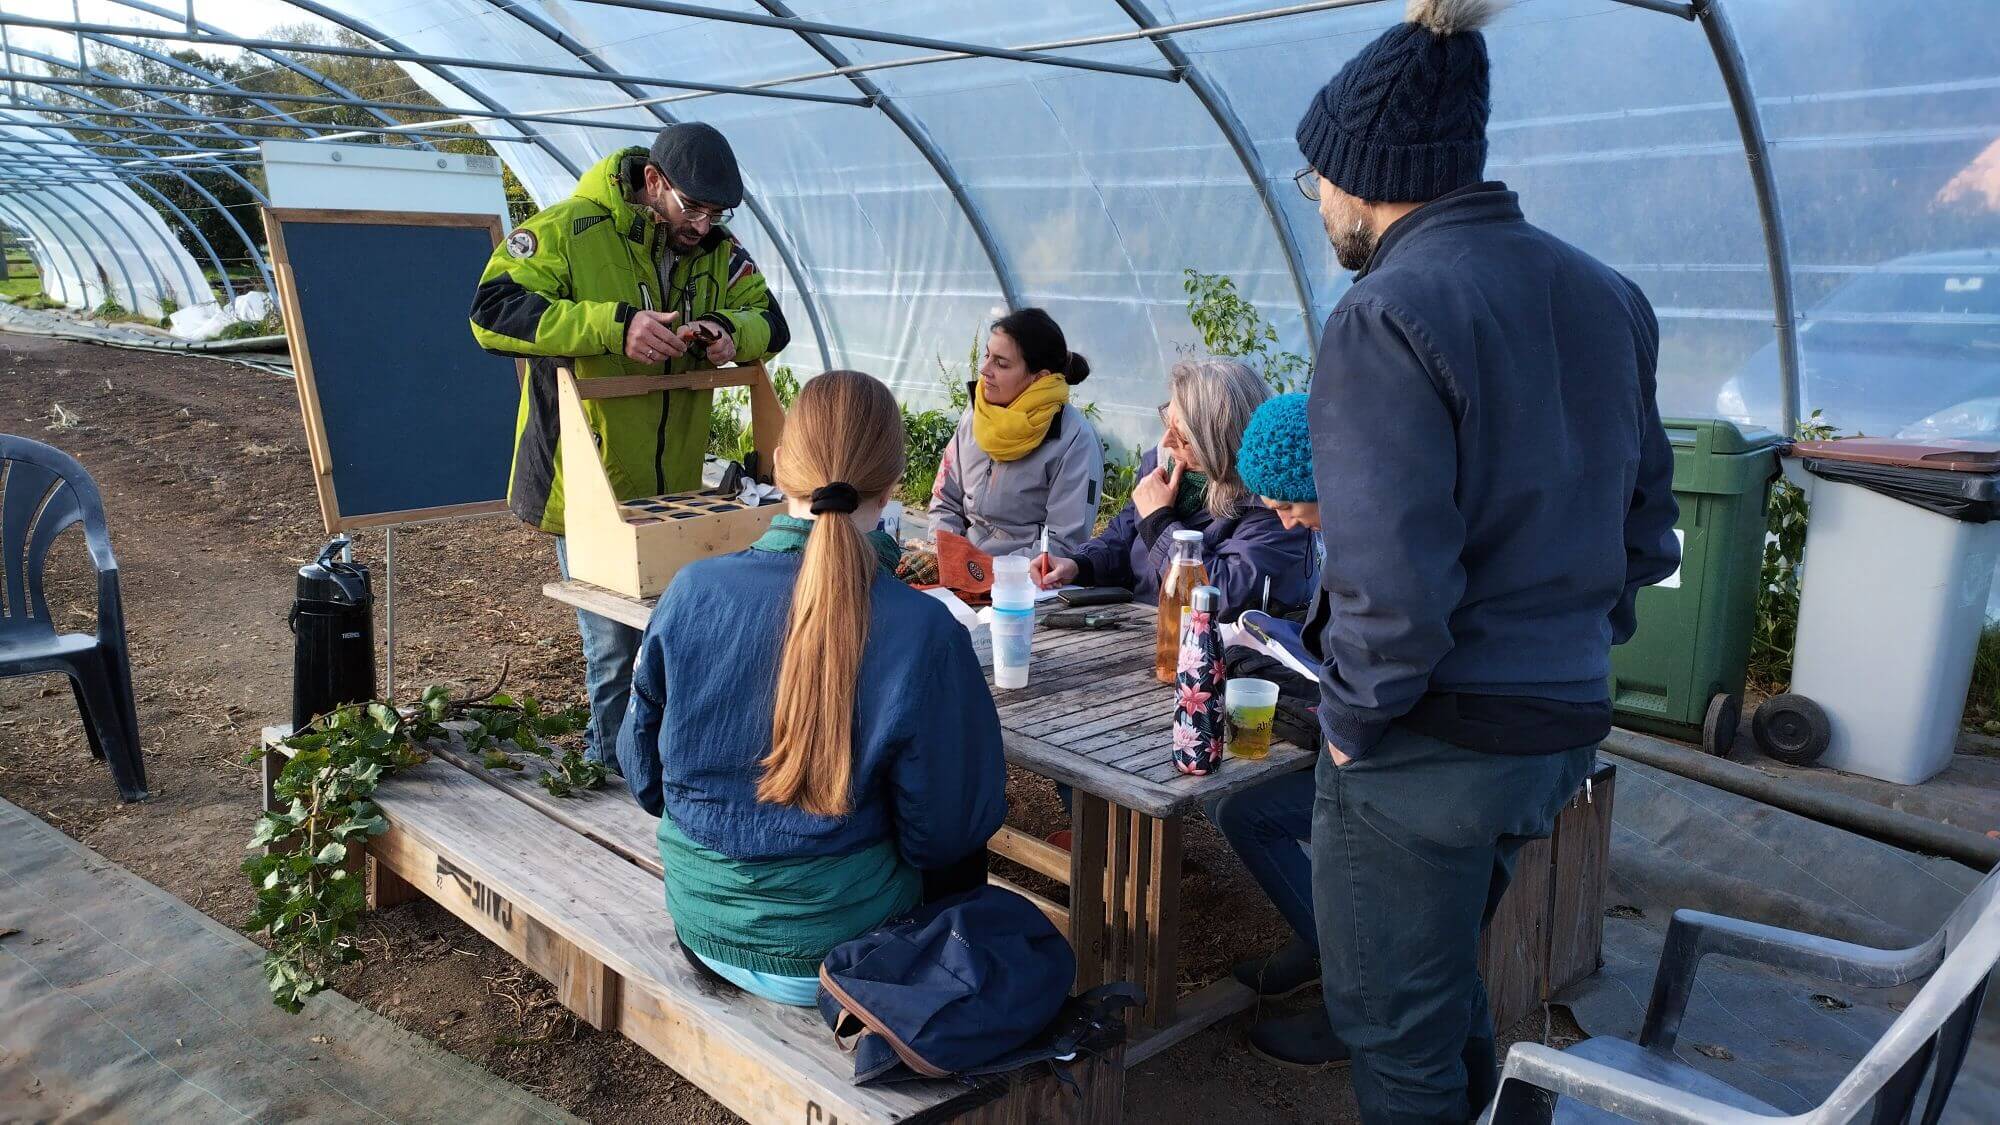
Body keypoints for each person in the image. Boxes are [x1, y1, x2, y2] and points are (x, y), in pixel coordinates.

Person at [1290, 0, 1679, 1117]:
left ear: (1365, 173)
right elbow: (1646, 532)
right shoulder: (1608, 294)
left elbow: (1390, 590)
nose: (1316, 203)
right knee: (1435, 977)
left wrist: (1354, 727)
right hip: (1556, 726)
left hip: (1429, 742)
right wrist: (1569, 642)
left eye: (1316, 179)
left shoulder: (1385, 314)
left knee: (1389, 1030)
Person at [614, 370, 1006, 1006]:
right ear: (895, 481)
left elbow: (644, 780)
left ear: (779, 465)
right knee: (965, 840)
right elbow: (947, 833)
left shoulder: (689, 592)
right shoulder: (922, 629)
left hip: (703, 929)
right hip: (850, 950)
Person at [468, 122, 789, 772]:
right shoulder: (569, 229)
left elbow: (771, 320)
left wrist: (731, 332)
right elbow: (491, 311)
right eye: (691, 207)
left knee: (676, 638)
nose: (703, 224)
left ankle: (666, 766)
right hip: (590, 484)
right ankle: (610, 773)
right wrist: (615, 327)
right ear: (652, 182)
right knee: (613, 648)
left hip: (673, 488)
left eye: (716, 212)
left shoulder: (719, 255)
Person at [1198, 394, 1327, 1056]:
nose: (1280, 518)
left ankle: (1353, 993)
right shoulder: (1335, 529)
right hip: (1359, 734)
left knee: (1248, 811)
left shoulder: (1378, 542)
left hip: (1395, 755)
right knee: (1240, 808)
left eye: (1286, 503)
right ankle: (1322, 945)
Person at [1030, 358, 1316, 617]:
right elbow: (1123, 535)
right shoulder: (1164, 464)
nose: (1167, 441)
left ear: (1220, 443)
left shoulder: (1277, 502)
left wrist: (1160, 521)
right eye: (1168, 423)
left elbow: (1222, 597)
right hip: (1144, 625)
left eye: (1184, 437)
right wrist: (1080, 566)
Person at [930, 308, 1103, 557]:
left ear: (1039, 378)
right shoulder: (975, 417)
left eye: (1001, 363)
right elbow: (944, 501)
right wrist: (949, 555)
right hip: (961, 566)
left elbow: (1063, 543)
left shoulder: (1074, 440)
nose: (984, 370)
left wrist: (993, 573)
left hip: (1024, 583)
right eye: (987, 356)